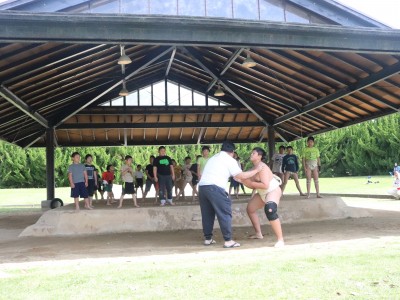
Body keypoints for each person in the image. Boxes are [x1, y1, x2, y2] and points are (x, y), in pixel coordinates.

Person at [198, 141, 264, 248]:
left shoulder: (214, 157)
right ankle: (228, 240)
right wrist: (256, 170)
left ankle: (208, 239)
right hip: (215, 188)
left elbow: (234, 176)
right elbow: (240, 175)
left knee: (207, 214)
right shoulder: (230, 160)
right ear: (232, 152)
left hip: (202, 187)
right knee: (225, 213)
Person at [240, 147, 284, 247]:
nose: (251, 154)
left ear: (259, 156)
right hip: (262, 193)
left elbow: (265, 185)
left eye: (253, 153)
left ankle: (280, 240)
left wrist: (249, 181)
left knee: (270, 210)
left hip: (272, 190)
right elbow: (251, 185)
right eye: (251, 153)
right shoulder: (253, 169)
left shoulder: (262, 167)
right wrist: (242, 180)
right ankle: (258, 234)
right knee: (250, 209)